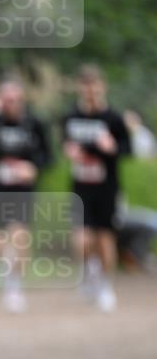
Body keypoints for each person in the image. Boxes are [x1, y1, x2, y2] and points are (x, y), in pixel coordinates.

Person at [0, 77, 52, 312]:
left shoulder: (34, 124)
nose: (11, 104)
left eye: (15, 100)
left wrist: (33, 168)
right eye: (6, 100)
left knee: (19, 236)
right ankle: (5, 272)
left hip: (22, 190)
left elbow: (48, 156)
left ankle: (15, 285)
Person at [61, 65, 131, 312]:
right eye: (85, 85)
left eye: (94, 85)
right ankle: (91, 270)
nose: (90, 90)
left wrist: (111, 147)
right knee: (81, 240)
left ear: (102, 87)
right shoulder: (71, 117)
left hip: (107, 188)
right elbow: (64, 143)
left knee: (105, 237)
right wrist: (69, 151)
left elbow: (127, 149)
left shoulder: (113, 118)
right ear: (80, 88)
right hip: (81, 187)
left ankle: (105, 286)